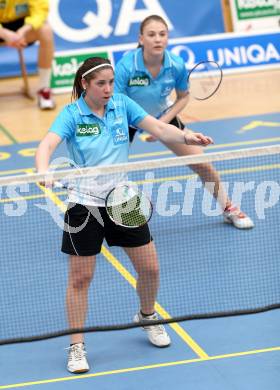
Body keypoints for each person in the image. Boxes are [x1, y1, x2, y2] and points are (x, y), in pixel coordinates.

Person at [35, 56, 213, 374]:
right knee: (80, 278)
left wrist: (187, 137)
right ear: (85, 85)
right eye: (100, 83)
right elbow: (47, 144)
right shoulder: (72, 115)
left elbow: (159, 128)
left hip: (123, 200)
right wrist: (42, 169)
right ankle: (76, 346)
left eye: (110, 82)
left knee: (151, 269)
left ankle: (147, 316)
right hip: (84, 203)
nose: (107, 89)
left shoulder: (122, 104)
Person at [114, 14, 254, 229]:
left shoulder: (175, 65)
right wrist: (145, 124)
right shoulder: (127, 65)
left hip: (163, 115)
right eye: (151, 35)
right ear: (141, 39)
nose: (158, 39)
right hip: (127, 118)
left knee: (203, 165)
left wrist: (162, 122)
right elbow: (116, 102)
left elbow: (183, 97)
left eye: (162, 34)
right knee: (110, 169)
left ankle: (228, 208)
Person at [0, 0, 55, 109]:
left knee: (46, 30)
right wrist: (5, 34)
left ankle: (44, 89)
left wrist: (22, 31)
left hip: (23, 28)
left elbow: (40, 11)